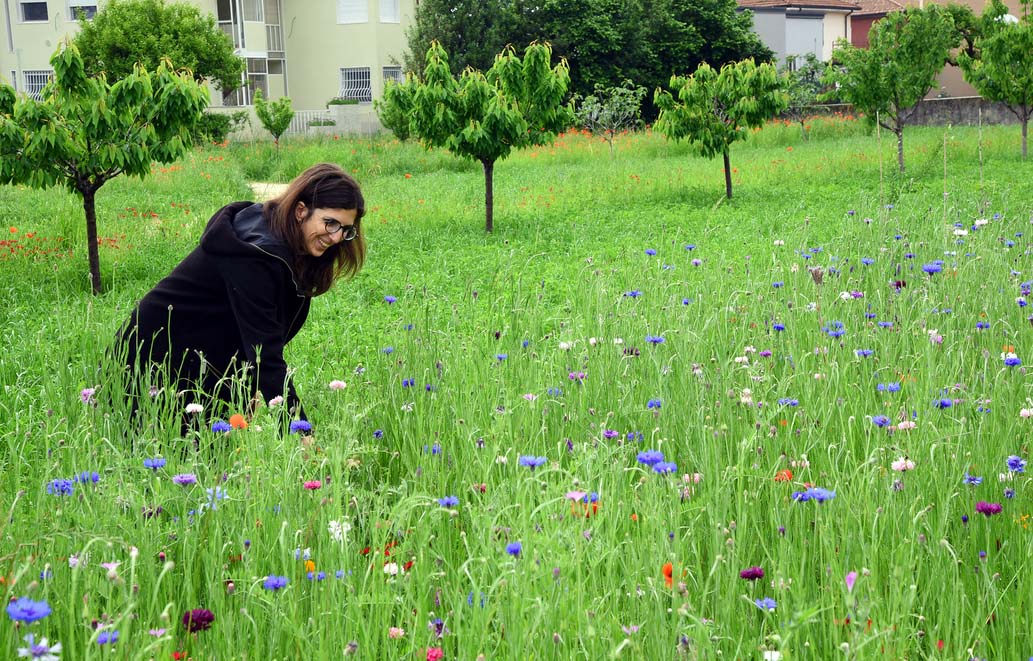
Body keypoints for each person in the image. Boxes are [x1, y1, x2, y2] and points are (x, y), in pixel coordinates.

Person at [116, 163, 365, 427]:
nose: (337, 237)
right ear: (301, 211)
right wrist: (299, 430)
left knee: (211, 455)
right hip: (154, 363)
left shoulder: (277, 231)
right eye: (330, 223)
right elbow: (265, 353)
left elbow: (240, 321)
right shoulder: (258, 256)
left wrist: (245, 383)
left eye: (346, 229)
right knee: (174, 455)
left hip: (197, 358)